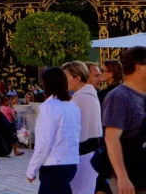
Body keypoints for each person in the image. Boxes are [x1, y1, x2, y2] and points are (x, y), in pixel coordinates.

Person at [26, 67, 81, 193]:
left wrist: (32, 169)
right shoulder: (73, 106)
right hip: (70, 163)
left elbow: (44, 142)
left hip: (54, 164)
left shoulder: (49, 107)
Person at [101, 46, 146, 194]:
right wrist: (122, 177)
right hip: (130, 179)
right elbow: (111, 138)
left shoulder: (142, 95)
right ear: (139, 67)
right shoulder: (119, 97)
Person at [60, 61, 103, 194]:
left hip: (82, 156)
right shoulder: (88, 95)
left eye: (65, 77)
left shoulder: (79, 99)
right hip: (90, 153)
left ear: (77, 78)